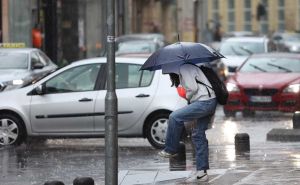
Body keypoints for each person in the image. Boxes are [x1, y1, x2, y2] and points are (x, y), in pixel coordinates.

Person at [159, 63, 217, 182]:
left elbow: (193, 88)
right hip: (210, 101)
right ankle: (202, 172)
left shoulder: (184, 68)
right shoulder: (187, 68)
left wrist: (188, 96)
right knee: (198, 134)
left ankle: (171, 149)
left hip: (204, 103)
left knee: (174, 117)